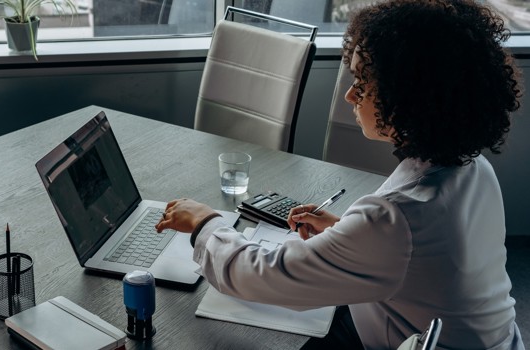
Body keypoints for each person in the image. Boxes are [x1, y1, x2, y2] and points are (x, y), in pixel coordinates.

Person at [155, 0, 525, 348]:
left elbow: (265, 277)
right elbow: (424, 264)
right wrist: (344, 236)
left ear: (411, 96)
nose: (350, 96)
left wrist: (206, 223)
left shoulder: (397, 216)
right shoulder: (472, 168)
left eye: (363, 82)